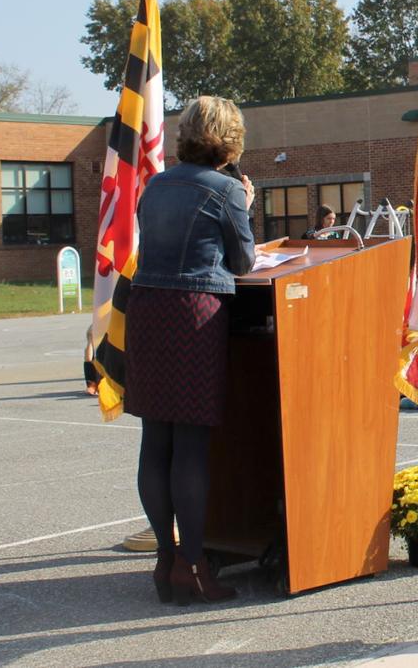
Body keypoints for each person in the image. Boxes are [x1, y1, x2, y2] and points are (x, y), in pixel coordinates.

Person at [126, 96, 255, 605]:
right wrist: (243, 202)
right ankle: (195, 565)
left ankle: (166, 559)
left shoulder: (155, 184)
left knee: (155, 439)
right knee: (192, 444)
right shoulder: (225, 189)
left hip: (147, 309)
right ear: (230, 139)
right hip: (192, 312)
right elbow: (243, 261)